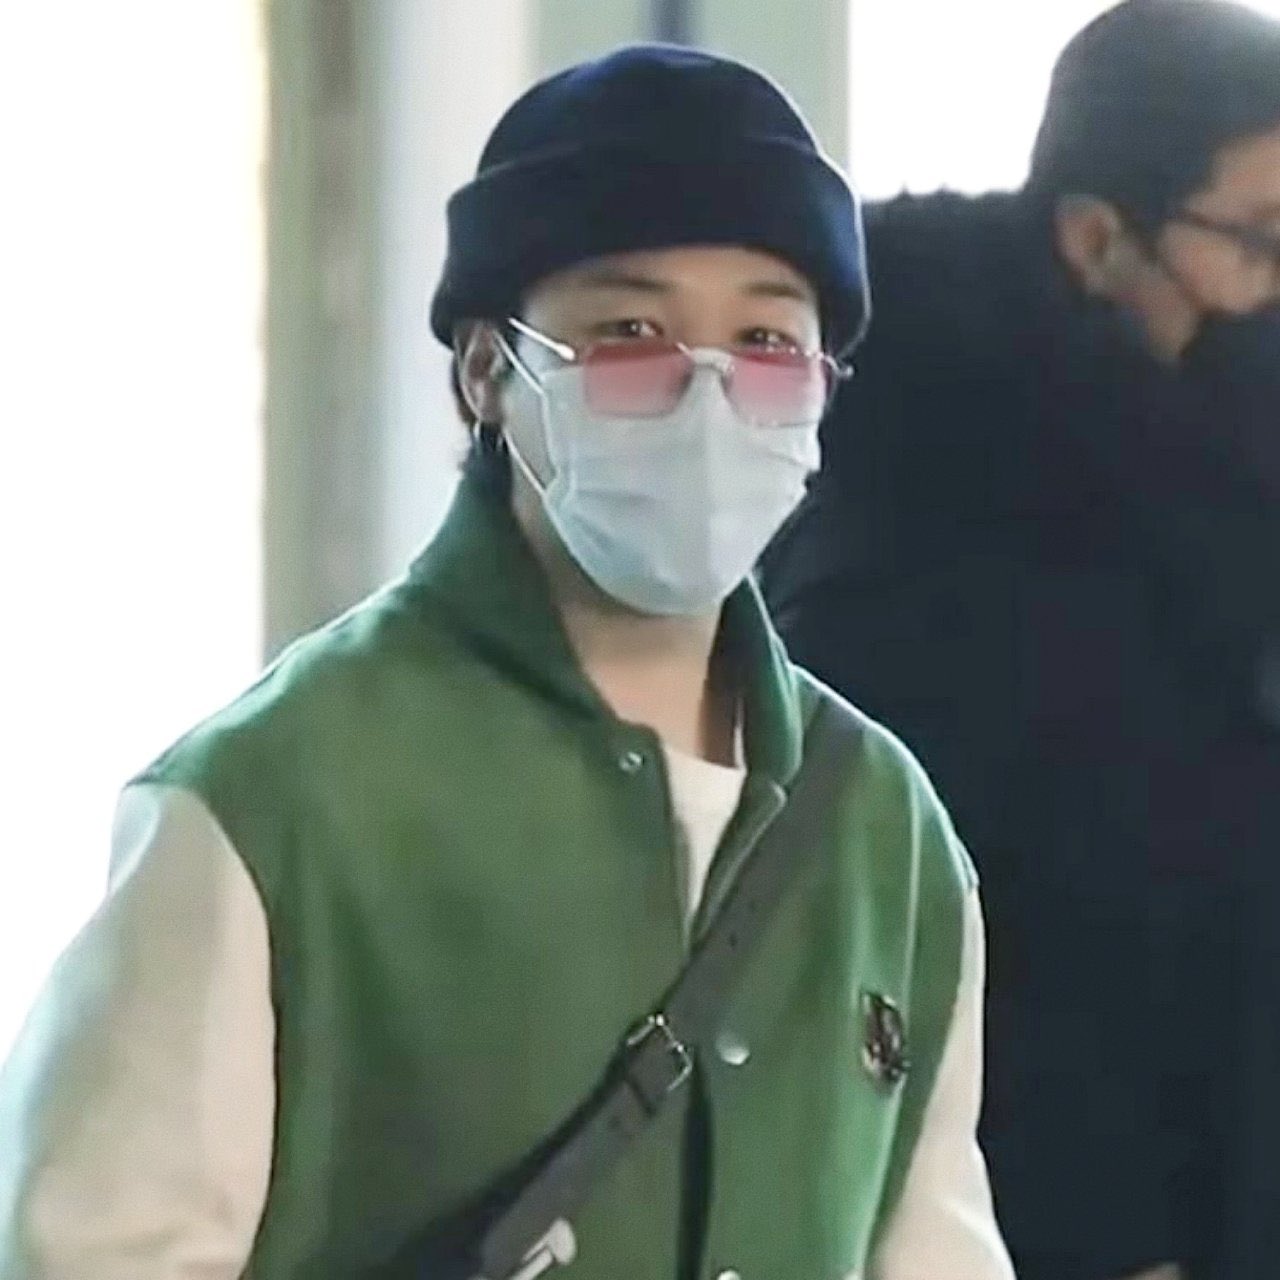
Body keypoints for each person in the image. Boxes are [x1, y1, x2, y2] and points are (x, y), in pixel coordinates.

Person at [0, 46, 1013, 1280]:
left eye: (764, 337)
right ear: (488, 370)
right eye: (630, 330)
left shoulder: (883, 827)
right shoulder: (272, 799)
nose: (706, 395)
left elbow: (935, 1246)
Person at [760, 3, 1280, 1280]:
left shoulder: (1217, 484)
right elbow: (949, 934)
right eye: (1260, 240)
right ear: (1096, 238)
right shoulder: (921, 507)